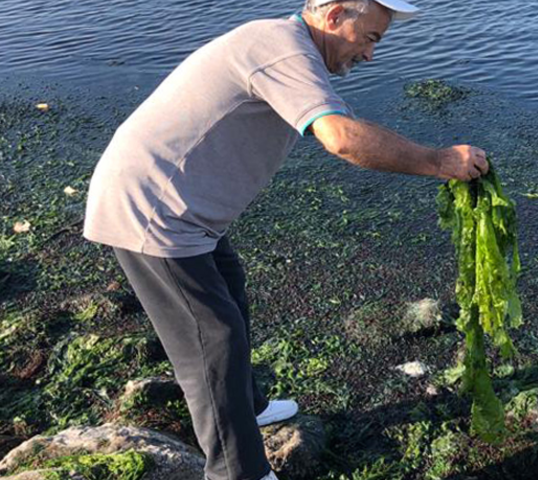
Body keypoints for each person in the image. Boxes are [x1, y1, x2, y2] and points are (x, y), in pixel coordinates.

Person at [82, 0, 488, 479]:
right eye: (372, 38)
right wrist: (439, 162)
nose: (372, 55)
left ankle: (248, 408)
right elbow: (340, 137)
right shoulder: (282, 49)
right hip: (152, 213)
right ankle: (238, 470)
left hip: (187, 212)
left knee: (230, 291)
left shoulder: (287, 46)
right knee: (213, 337)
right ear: (335, 15)